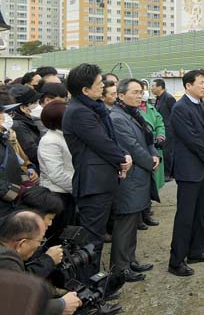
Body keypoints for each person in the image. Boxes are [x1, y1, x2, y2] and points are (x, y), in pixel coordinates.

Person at [62, 63, 131, 276]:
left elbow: (108, 140)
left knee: (96, 238)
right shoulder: (79, 112)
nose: (104, 87)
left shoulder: (90, 108)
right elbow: (101, 142)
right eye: (100, 84)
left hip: (102, 181)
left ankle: (96, 288)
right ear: (85, 90)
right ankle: (90, 289)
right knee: (91, 242)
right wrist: (123, 158)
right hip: (93, 184)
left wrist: (121, 157)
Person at [167, 70, 204, 277]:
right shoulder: (181, 108)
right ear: (188, 85)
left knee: (200, 213)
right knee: (185, 216)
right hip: (189, 170)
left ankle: (197, 251)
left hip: (203, 168)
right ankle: (176, 260)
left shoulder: (201, 105)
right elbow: (191, 138)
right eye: (200, 82)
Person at [108, 78, 158, 282]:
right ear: (121, 95)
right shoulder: (117, 117)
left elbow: (148, 139)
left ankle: (130, 260)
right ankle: (120, 268)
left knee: (133, 222)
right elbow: (132, 147)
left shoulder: (135, 114)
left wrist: (155, 155)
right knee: (125, 225)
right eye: (135, 92)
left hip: (140, 176)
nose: (140, 95)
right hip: (130, 179)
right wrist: (150, 161)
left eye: (141, 92)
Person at [0, 210, 82, 315]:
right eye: (40, 241)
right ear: (22, 244)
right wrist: (62, 304)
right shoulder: (7, 261)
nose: (39, 246)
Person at [36, 100, 75, 241]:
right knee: (57, 234)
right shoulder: (50, 141)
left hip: (68, 192)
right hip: (58, 194)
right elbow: (56, 174)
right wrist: (77, 188)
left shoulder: (64, 135)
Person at [138, 94, 166, 228]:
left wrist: (161, 136)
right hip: (142, 148)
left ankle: (147, 209)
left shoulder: (152, 109)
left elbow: (160, 124)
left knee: (152, 181)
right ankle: (141, 215)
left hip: (155, 147)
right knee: (142, 182)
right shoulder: (131, 111)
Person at [9, 85, 43, 170]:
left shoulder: (29, 120)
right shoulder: (19, 125)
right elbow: (32, 152)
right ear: (24, 108)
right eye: (35, 103)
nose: (39, 106)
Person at [151, 78, 176, 181]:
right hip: (162, 129)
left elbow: (175, 114)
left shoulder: (169, 98)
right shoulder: (158, 98)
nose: (151, 88)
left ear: (160, 87)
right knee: (164, 151)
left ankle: (168, 173)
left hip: (168, 129)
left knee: (167, 151)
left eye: (153, 86)